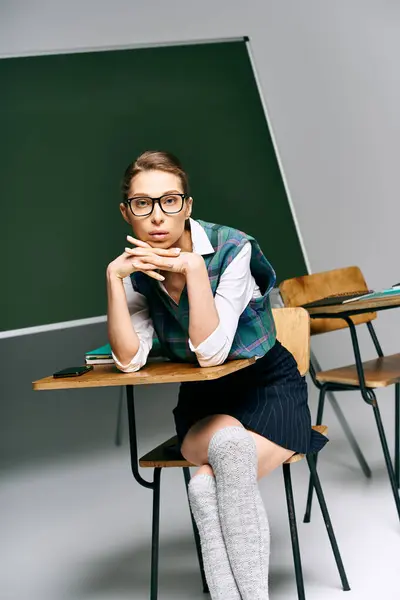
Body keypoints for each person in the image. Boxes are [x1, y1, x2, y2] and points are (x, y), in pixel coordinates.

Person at [106, 150, 327, 600]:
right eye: (142, 204)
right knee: (226, 446)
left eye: (170, 201)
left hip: (270, 389)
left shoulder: (233, 249)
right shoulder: (135, 273)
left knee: (214, 472)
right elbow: (129, 360)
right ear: (126, 213)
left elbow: (210, 353)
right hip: (206, 404)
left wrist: (192, 269)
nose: (157, 217)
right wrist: (114, 279)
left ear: (188, 205)